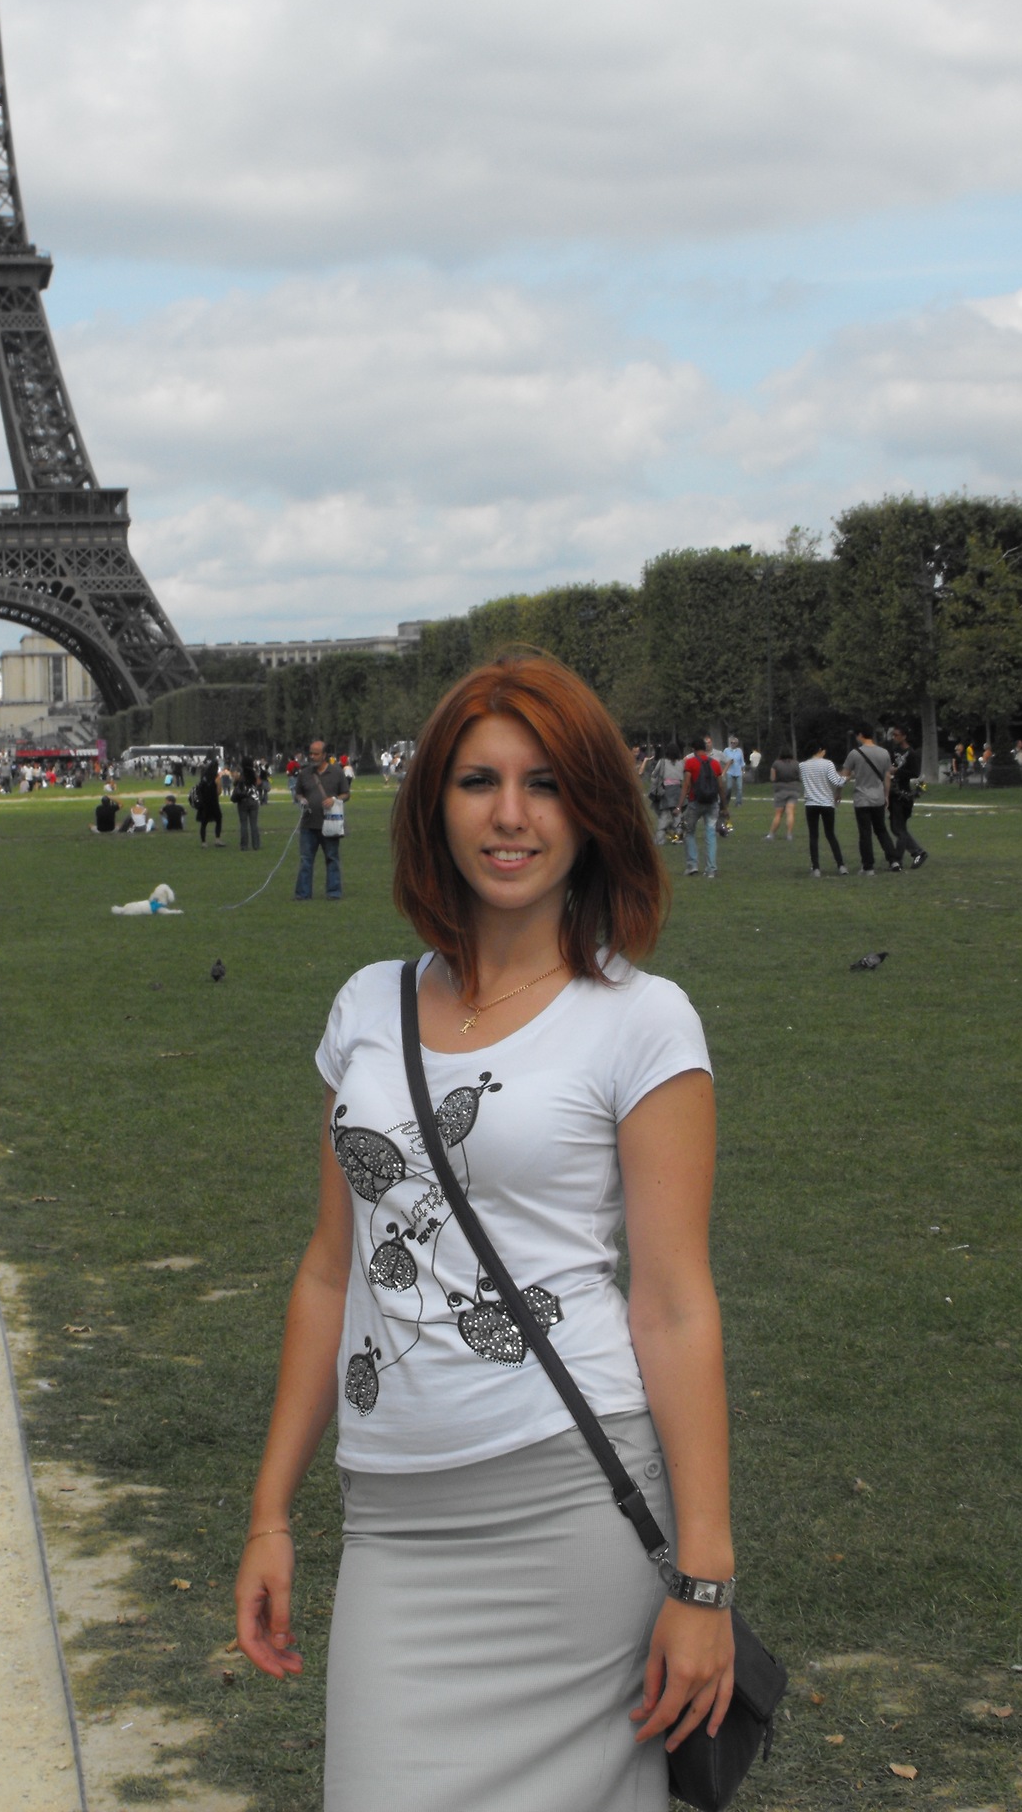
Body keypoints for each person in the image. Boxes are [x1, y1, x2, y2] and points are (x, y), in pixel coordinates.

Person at [235, 654, 736, 1812]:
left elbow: (673, 1304)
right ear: (434, 806)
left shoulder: (643, 1021)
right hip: (393, 1524)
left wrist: (704, 1576)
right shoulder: (366, 1007)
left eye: (545, 783)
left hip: (571, 1513)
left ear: (594, 809)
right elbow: (329, 1272)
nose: (511, 814)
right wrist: (270, 1511)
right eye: (479, 781)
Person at [294, 738, 350, 901]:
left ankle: (333, 892)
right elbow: (298, 793)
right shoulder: (304, 773)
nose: (312, 756)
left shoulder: (337, 772)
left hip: (330, 824)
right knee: (306, 860)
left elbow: (346, 794)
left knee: (332, 859)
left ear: (324, 755)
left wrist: (334, 799)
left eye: (316, 754)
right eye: (311, 753)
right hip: (308, 824)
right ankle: (303, 894)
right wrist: (301, 800)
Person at [841, 728, 900, 875]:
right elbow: (887, 776)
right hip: (878, 797)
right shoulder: (884, 753)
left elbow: (843, 776)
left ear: (860, 735)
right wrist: (886, 795)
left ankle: (868, 866)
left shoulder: (854, 754)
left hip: (862, 798)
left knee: (865, 833)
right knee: (881, 830)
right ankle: (894, 860)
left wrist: (838, 792)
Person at [798, 742, 846, 877]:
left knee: (813, 836)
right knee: (830, 835)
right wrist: (847, 777)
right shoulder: (828, 764)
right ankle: (841, 865)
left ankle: (816, 868)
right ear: (820, 750)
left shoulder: (802, 765)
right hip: (827, 803)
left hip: (811, 803)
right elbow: (837, 781)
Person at [680, 736, 724, 878]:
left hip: (695, 801)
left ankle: (692, 865)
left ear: (693, 749)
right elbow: (720, 786)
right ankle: (711, 869)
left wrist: (679, 805)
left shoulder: (690, 763)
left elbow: (686, 784)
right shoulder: (715, 763)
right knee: (710, 834)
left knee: (689, 831)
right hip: (712, 802)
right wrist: (724, 805)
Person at [885, 728, 928, 868]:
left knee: (899, 828)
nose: (894, 737)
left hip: (903, 794)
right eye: (893, 735)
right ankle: (916, 852)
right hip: (894, 792)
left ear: (904, 736)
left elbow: (915, 773)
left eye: (896, 735)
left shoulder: (912, 754)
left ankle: (900, 859)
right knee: (896, 827)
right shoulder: (894, 751)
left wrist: (898, 771)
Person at [652, 743, 685, 846]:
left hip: (665, 791)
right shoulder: (681, 763)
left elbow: (654, 775)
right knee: (678, 816)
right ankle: (678, 837)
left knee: (664, 817)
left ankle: (660, 840)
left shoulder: (662, 762)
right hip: (678, 791)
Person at [765, 749, 799, 841]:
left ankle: (771, 834)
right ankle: (789, 835)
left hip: (780, 790)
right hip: (793, 789)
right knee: (790, 812)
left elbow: (772, 778)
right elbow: (800, 776)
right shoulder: (796, 764)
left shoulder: (776, 764)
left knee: (778, 814)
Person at [191, 762, 225, 846]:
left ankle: (203, 842)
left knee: (204, 823)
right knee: (218, 819)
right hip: (214, 802)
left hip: (204, 803)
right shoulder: (216, 777)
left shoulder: (204, 777)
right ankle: (217, 839)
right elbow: (219, 792)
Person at [235, 759, 263, 851]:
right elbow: (259, 783)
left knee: (243, 824)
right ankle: (256, 844)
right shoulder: (254, 774)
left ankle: (244, 845)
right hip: (253, 800)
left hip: (243, 800)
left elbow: (235, 783)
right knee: (254, 824)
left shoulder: (241, 774)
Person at [723, 737, 745, 809]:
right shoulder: (726, 750)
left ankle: (738, 803)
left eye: (734, 743)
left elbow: (742, 761)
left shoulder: (739, 751)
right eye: (732, 743)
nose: (733, 744)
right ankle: (726, 801)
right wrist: (728, 762)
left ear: (737, 744)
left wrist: (743, 770)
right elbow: (723, 759)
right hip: (729, 771)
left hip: (738, 772)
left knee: (739, 788)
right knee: (729, 787)